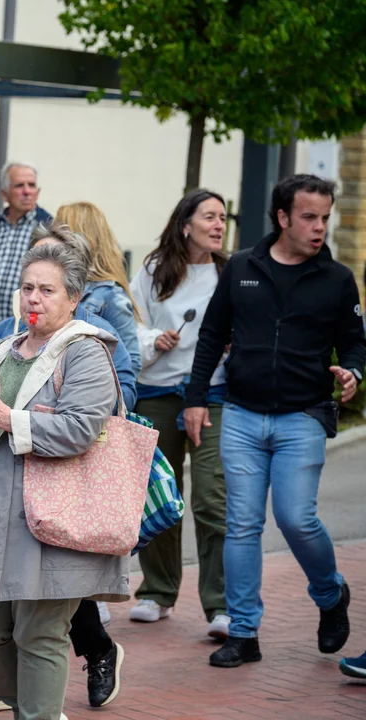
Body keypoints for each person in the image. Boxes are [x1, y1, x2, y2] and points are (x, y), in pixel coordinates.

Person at [185, 174, 365, 668]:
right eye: (309, 217)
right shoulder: (242, 267)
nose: (319, 227)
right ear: (283, 217)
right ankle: (244, 632)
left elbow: (355, 342)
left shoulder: (337, 279)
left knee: (295, 518)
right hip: (241, 415)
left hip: (302, 417)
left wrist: (352, 371)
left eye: (325, 218)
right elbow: (212, 334)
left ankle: (330, 594)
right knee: (242, 525)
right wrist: (196, 399)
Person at [0, 237, 128, 720]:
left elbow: (80, 431)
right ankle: (38, 708)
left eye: (47, 290)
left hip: (51, 518)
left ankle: (38, 712)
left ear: (74, 298)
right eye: (27, 288)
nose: (33, 298)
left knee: (39, 634)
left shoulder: (85, 352)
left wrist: (7, 419)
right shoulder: (1, 350)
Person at [128, 189, 232, 640]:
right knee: (159, 495)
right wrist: (154, 339)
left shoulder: (231, 272)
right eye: (209, 216)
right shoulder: (155, 270)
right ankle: (157, 591)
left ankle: (221, 604)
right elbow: (131, 325)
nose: (218, 225)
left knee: (211, 497)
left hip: (211, 395)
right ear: (186, 224)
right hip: (157, 393)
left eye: (223, 218)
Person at [55, 202, 142, 375]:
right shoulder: (63, 286)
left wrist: (94, 388)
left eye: (60, 231)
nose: (54, 239)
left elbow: (130, 364)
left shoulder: (111, 296)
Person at [0, 162, 53, 322]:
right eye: (19, 185)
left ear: (37, 192)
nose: (27, 191)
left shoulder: (47, 228)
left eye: (31, 185)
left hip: (28, 325)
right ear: (4, 194)